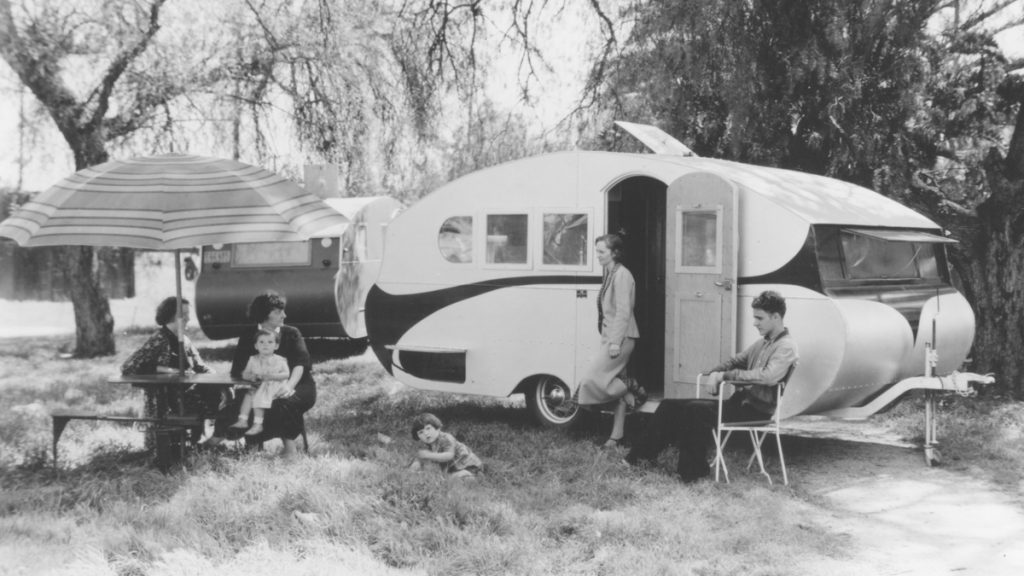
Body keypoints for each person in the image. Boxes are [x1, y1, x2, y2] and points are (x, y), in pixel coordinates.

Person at [625, 290, 798, 482]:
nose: (754, 323)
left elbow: (768, 377)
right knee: (669, 405)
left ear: (776, 317)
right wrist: (714, 373)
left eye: (759, 318)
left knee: (696, 410)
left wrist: (724, 376)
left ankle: (691, 473)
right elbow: (736, 361)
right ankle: (638, 458)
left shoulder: (786, 346)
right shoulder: (762, 343)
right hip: (739, 404)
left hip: (756, 412)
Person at [218, 291, 317, 458]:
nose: (284, 315)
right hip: (258, 384)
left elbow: (300, 365)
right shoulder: (248, 335)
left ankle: (290, 450)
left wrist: (288, 386)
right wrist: (253, 378)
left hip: (297, 383)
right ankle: (253, 447)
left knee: (283, 401)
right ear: (264, 314)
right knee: (248, 400)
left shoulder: (292, 333)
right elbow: (238, 369)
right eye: (278, 312)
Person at [120, 296, 225, 444]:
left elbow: (200, 367)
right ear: (171, 316)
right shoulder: (159, 339)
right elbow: (128, 367)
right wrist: (165, 370)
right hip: (167, 400)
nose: (188, 318)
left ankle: (207, 440)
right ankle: (200, 442)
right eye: (184, 314)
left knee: (224, 396)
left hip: (188, 392)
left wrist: (220, 381)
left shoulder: (185, 340)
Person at [574, 233, 644, 448]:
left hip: (621, 339)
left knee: (590, 380)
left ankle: (630, 387)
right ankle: (616, 436)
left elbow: (623, 311)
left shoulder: (622, 275)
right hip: (611, 338)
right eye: (597, 251)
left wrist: (614, 342)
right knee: (609, 383)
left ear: (615, 253)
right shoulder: (610, 273)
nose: (597, 255)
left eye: (601, 251)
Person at [230, 329, 291, 436]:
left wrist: (272, 376)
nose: (265, 345)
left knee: (259, 396)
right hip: (259, 385)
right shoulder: (253, 359)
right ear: (256, 346)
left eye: (270, 342)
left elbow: (286, 374)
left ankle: (258, 424)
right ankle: (243, 420)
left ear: (276, 346)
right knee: (249, 395)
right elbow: (245, 373)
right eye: (261, 342)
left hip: (275, 385)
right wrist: (251, 377)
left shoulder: (280, 360)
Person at [408, 413, 483, 479]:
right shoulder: (428, 443)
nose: (426, 433)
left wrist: (429, 455)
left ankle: (474, 476)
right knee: (446, 478)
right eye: (421, 432)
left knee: (453, 479)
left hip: (469, 465)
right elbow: (420, 458)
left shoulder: (446, 438)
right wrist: (413, 468)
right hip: (454, 467)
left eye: (428, 428)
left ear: (437, 428)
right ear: (418, 436)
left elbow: (449, 455)